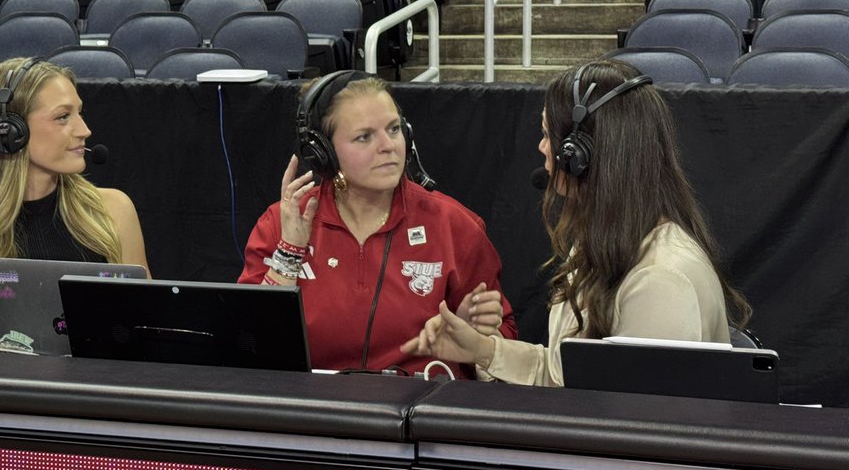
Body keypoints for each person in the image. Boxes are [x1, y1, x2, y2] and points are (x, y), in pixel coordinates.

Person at [402, 60, 751, 386]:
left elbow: (639, 428)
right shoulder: (608, 242)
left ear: (577, 155)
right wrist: (482, 350)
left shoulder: (660, 280)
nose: (541, 148)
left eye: (546, 135)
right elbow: (565, 373)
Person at [238, 71, 517, 376]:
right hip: (312, 414)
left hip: (424, 413)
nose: (388, 146)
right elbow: (248, 343)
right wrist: (289, 252)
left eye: (394, 129)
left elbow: (505, 344)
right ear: (323, 153)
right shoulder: (280, 224)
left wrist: (474, 335)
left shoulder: (455, 226)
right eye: (364, 136)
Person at [0, 57, 149, 349]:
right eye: (63, 117)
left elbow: (147, 332)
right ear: (9, 132)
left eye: (79, 113)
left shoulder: (114, 210)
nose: (84, 130)